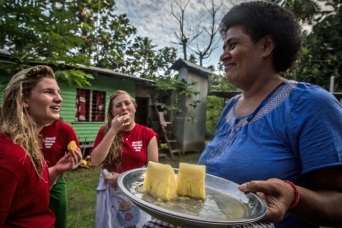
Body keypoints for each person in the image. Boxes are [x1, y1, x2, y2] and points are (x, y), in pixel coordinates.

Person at [197, 1, 342, 228]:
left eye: (232, 45)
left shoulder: (310, 104)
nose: (224, 56)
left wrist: (293, 196)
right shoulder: (230, 107)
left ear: (266, 46)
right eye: (224, 47)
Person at [0, 65, 82, 227]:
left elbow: (30, 195)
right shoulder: (10, 155)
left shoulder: (27, 144)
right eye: (49, 92)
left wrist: (57, 169)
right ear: (24, 99)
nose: (59, 98)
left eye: (58, 92)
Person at [90, 90, 159, 228]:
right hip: (111, 194)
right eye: (118, 105)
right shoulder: (105, 131)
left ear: (134, 107)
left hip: (138, 191)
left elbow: (154, 172)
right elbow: (95, 161)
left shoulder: (147, 134)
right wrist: (113, 131)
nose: (123, 107)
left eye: (127, 103)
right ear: (112, 111)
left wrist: (122, 179)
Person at [40, 118, 80, 228]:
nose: (58, 100)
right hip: (27, 180)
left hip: (55, 180)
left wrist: (73, 158)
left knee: (58, 218)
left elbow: (75, 153)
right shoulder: (23, 127)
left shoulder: (65, 129)